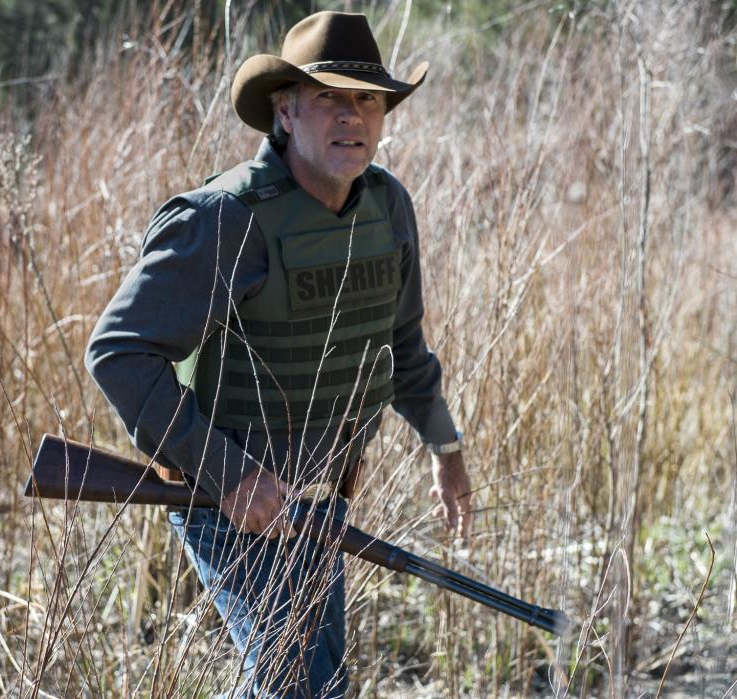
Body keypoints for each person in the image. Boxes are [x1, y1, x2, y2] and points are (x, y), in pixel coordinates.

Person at [85, 11, 472, 698]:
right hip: (226, 499)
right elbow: (118, 349)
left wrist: (446, 448)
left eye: (369, 99)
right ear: (286, 112)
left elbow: (403, 351)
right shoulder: (225, 219)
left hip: (318, 503)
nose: (352, 116)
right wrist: (228, 473)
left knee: (311, 684)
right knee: (298, 683)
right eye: (330, 97)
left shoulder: (388, 208)